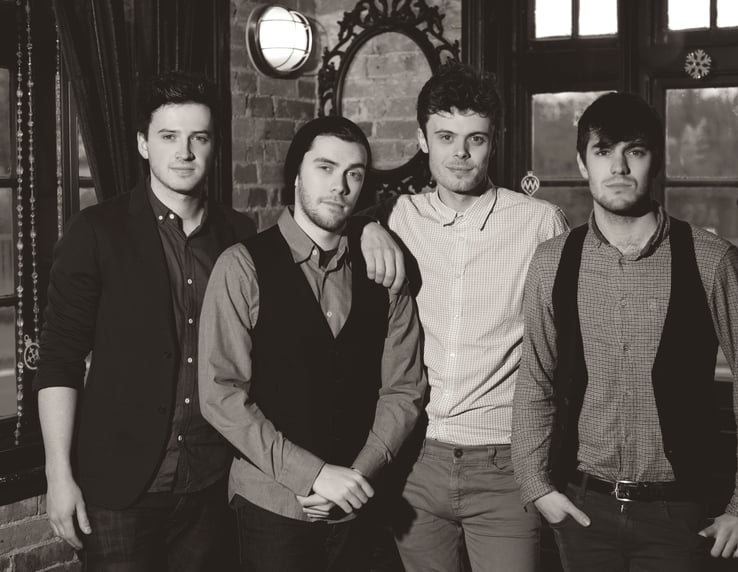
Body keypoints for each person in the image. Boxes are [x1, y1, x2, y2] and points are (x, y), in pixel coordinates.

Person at [511, 91, 738, 572]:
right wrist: (536, 484)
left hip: (679, 514)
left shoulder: (713, 260)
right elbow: (535, 379)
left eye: (634, 151)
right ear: (582, 162)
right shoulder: (552, 261)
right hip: (582, 509)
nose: (618, 167)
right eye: (602, 151)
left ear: (657, 160)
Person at [34, 71, 256, 570]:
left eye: (199, 138)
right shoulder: (96, 231)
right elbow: (60, 360)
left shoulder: (239, 234)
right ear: (142, 143)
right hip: (119, 489)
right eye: (169, 136)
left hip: (212, 485)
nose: (185, 152)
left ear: (213, 145)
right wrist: (58, 475)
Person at [359, 61, 568, 571]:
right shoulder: (399, 217)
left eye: (476, 139)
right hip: (417, 458)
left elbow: (568, 342)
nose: (460, 153)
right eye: (446, 137)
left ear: (493, 142)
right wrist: (365, 227)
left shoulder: (539, 222)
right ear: (422, 140)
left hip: (506, 461)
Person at [197, 115, 427, 572]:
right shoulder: (242, 266)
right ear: (296, 175)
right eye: (325, 168)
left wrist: (357, 476)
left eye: (354, 173)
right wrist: (315, 475)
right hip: (271, 503)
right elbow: (220, 394)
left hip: (359, 503)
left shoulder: (385, 270)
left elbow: (405, 389)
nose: (340, 186)